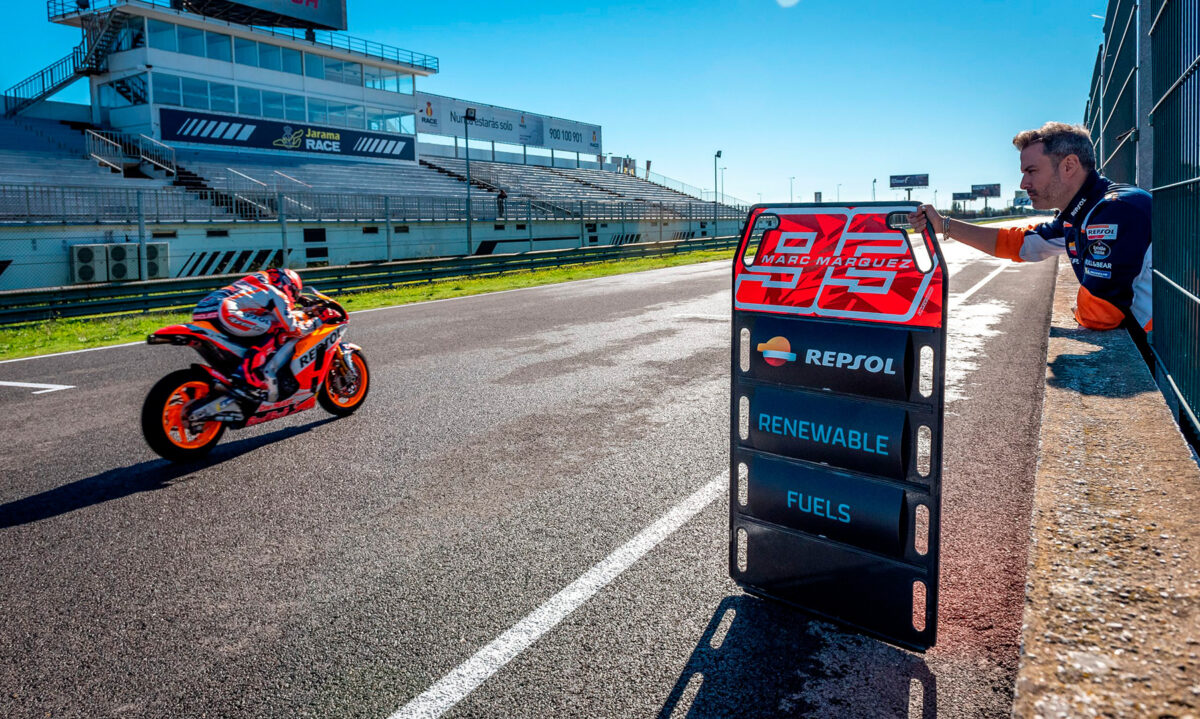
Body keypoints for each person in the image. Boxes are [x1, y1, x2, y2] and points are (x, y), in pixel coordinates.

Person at [909, 121, 1152, 359]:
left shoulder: (1116, 209)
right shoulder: (1081, 213)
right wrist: (944, 225)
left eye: (1031, 171)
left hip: (1167, 355)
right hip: (1154, 348)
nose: (1024, 184)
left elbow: (1100, 312)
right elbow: (1018, 244)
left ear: (1069, 166)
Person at [192, 268, 318, 403]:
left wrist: (301, 303)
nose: (294, 298)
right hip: (224, 310)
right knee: (276, 329)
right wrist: (317, 322)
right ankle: (248, 374)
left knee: (261, 328)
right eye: (295, 293)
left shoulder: (255, 285)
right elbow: (293, 329)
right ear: (287, 285)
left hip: (202, 309)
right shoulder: (276, 294)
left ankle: (235, 371)